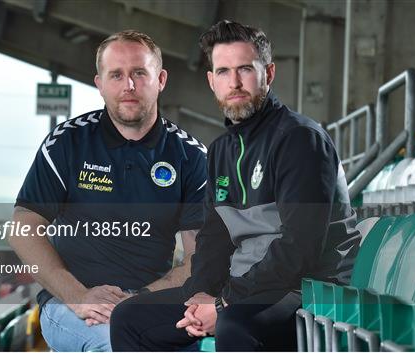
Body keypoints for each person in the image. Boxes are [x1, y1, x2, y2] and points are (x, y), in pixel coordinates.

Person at [110, 20, 361, 351]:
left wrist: (223, 303)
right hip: (243, 289)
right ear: (212, 81)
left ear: (268, 74)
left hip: (308, 289)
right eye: (224, 72)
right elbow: (213, 239)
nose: (235, 82)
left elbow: (299, 247)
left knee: (235, 326)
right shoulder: (220, 151)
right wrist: (200, 293)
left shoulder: (300, 139)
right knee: (129, 318)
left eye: (245, 69)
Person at [8, 30, 208, 352]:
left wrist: (136, 302)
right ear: (100, 84)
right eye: (116, 75)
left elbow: (201, 257)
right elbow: (23, 229)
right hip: (70, 304)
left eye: (139, 73)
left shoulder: (191, 157)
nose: (128, 85)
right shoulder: (66, 144)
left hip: (151, 300)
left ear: (161, 79)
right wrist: (78, 297)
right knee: (113, 344)